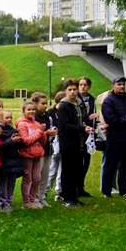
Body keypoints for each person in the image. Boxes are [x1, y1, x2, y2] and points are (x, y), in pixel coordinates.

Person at [56, 79, 91, 208]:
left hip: (79, 143)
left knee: (77, 170)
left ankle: (74, 196)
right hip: (68, 143)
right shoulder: (63, 106)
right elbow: (64, 126)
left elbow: (83, 120)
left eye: (74, 89)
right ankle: (67, 197)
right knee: (68, 171)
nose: (72, 92)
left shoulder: (79, 104)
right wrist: (82, 128)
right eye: (69, 90)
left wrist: (88, 126)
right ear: (65, 91)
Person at [16, 102, 48, 209]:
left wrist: (44, 133)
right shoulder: (22, 124)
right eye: (28, 109)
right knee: (28, 178)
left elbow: (43, 142)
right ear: (23, 111)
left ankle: (33, 199)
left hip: (37, 154)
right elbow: (26, 141)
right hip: (27, 155)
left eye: (33, 109)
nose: (31, 111)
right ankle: (26, 202)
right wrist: (39, 132)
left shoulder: (37, 124)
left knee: (37, 178)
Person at [31, 92, 58, 208]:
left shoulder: (47, 115)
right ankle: (34, 198)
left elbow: (51, 127)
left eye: (46, 103)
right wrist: (46, 133)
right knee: (37, 176)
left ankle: (41, 197)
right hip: (37, 150)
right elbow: (32, 134)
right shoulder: (33, 117)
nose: (45, 105)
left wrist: (52, 132)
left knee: (45, 175)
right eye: (42, 103)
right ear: (35, 104)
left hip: (48, 148)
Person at [0, 109, 22, 212]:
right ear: (1, 118)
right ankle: (3, 203)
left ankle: (9, 201)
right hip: (3, 161)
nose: (9, 119)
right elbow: (0, 146)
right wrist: (11, 140)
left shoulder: (13, 130)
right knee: (3, 183)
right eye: (7, 117)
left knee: (12, 182)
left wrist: (19, 140)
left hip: (14, 160)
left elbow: (19, 146)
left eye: (10, 117)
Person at [76, 77, 98, 196]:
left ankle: (81, 187)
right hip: (79, 133)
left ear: (89, 86)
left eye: (85, 85)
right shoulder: (75, 98)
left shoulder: (91, 98)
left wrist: (96, 123)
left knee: (87, 160)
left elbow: (93, 114)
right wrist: (87, 119)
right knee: (79, 162)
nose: (82, 87)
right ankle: (76, 187)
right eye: (80, 84)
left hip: (89, 134)